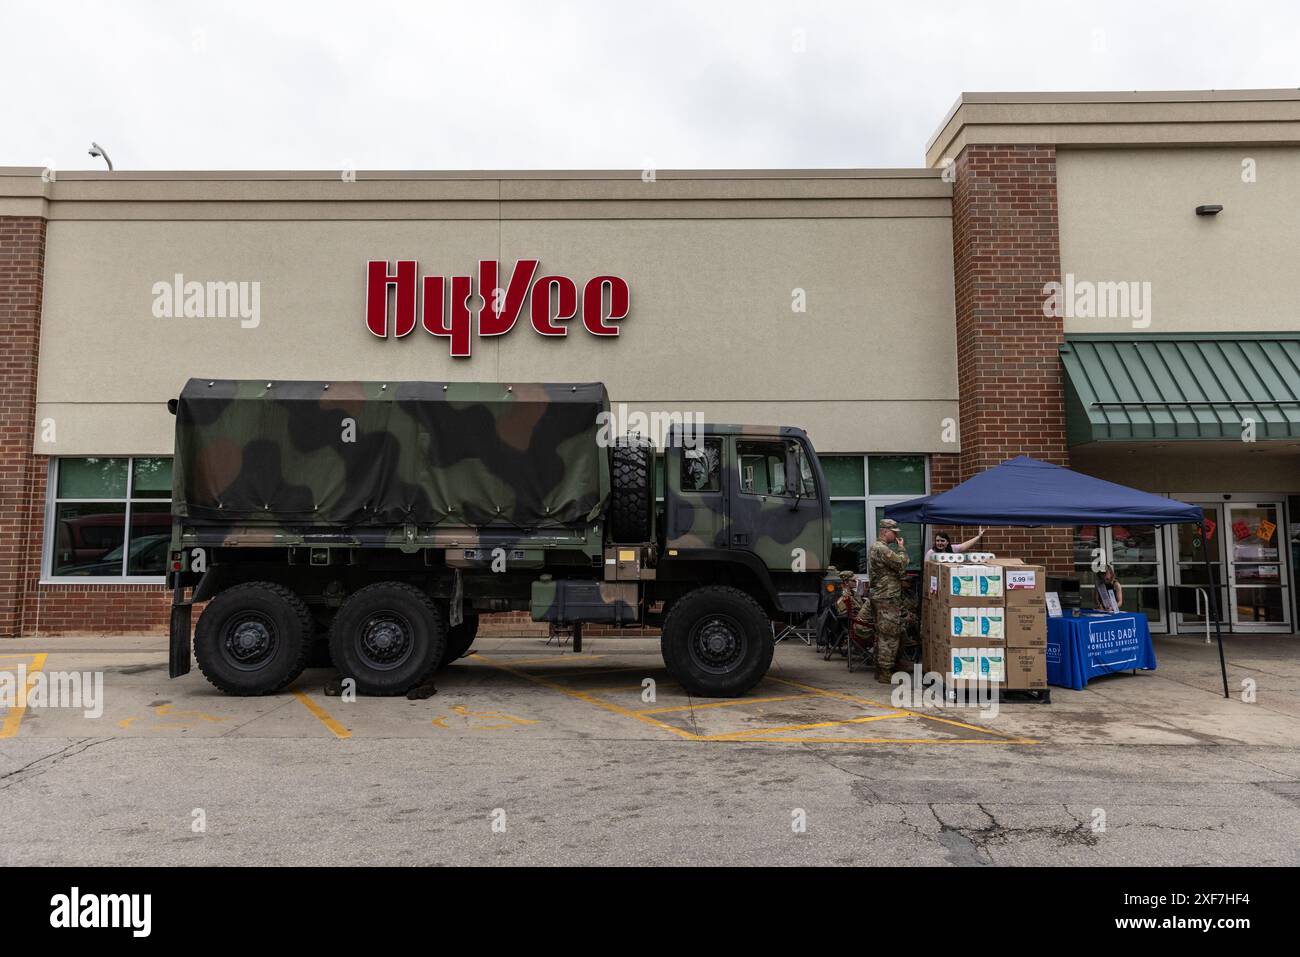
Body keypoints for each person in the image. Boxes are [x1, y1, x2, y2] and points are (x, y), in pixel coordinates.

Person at [868, 518, 909, 684]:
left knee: (881, 633)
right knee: (889, 634)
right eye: (894, 533)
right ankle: (886, 671)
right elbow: (902, 564)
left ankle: (880, 669)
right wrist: (901, 549)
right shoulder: (882, 549)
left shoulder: (875, 547)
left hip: (880, 595)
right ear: (885, 531)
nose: (896, 535)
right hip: (887, 596)